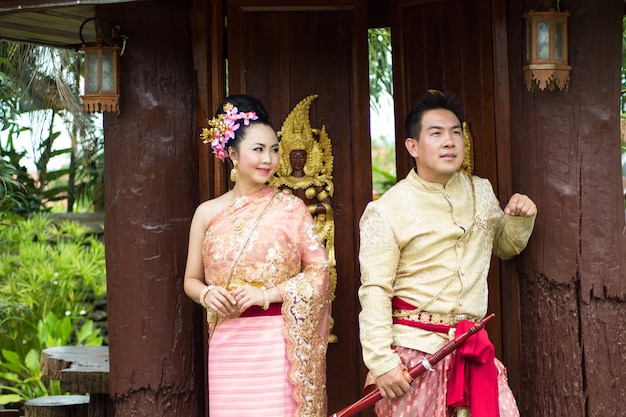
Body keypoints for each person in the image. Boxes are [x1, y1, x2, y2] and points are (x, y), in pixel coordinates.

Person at [357, 90, 537, 417]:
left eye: (455, 132)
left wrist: (520, 218)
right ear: (412, 146)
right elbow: (374, 291)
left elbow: (506, 247)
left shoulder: (480, 191)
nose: (449, 141)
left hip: (472, 351)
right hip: (413, 355)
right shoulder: (385, 211)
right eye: (436, 133)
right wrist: (382, 362)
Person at [183, 94, 331, 417]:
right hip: (228, 345)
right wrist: (207, 294)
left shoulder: (291, 209)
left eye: (274, 149)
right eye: (259, 150)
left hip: (278, 344)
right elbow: (191, 281)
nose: (269, 159)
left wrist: (266, 295)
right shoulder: (206, 214)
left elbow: (320, 273)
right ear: (233, 154)